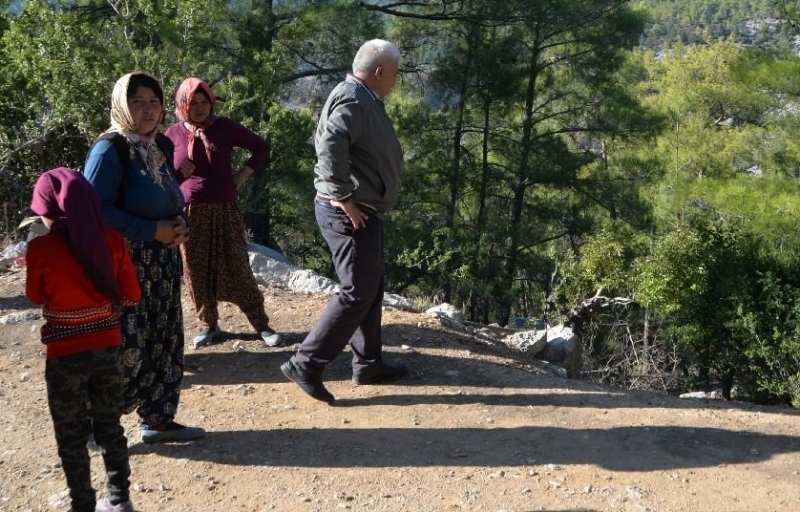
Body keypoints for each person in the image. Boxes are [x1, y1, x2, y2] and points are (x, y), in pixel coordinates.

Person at [281, 39, 408, 403]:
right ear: (379, 72)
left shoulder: (364, 96)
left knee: (371, 286)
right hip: (349, 211)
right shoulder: (354, 98)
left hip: (363, 209)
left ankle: (368, 364)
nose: (395, 81)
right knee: (357, 290)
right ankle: (305, 363)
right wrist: (344, 197)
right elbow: (330, 144)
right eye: (394, 74)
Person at [84, 72, 204, 443]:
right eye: (138, 102)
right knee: (126, 344)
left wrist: (179, 223)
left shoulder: (157, 146)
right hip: (125, 262)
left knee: (164, 339)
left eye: (154, 102)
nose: (148, 110)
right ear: (122, 105)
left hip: (162, 263)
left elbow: (169, 193)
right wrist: (152, 230)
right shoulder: (110, 150)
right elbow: (94, 210)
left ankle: (158, 419)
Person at [25, 168, 141, 512]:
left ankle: (82, 504)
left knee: (71, 435)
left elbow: (34, 296)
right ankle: (120, 500)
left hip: (63, 357)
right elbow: (132, 295)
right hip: (108, 350)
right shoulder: (113, 240)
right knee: (110, 427)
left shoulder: (40, 248)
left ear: (51, 209)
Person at [164, 77, 282, 348]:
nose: (199, 108)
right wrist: (178, 174)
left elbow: (261, 148)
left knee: (238, 266)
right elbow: (162, 175)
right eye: (192, 103)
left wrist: (240, 177)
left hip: (225, 209)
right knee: (196, 271)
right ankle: (209, 324)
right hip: (190, 212)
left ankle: (261, 324)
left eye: (204, 102)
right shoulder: (171, 135)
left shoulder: (224, 127)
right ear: (182, 105)